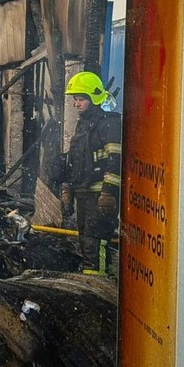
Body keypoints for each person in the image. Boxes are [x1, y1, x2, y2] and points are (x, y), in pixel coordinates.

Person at [60, 71, 121, 276]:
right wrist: (67, 190)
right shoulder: (83, 125)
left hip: (99, 196)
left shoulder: (108, 124)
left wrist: (108, 193)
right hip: (84, 194)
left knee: (96, 246)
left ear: (94, 98)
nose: (77, 104)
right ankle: (90, 282)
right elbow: (73, 161)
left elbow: (116, 160)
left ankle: (99, 287)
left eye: (81, 99)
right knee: (86, 243)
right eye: (75, 99)